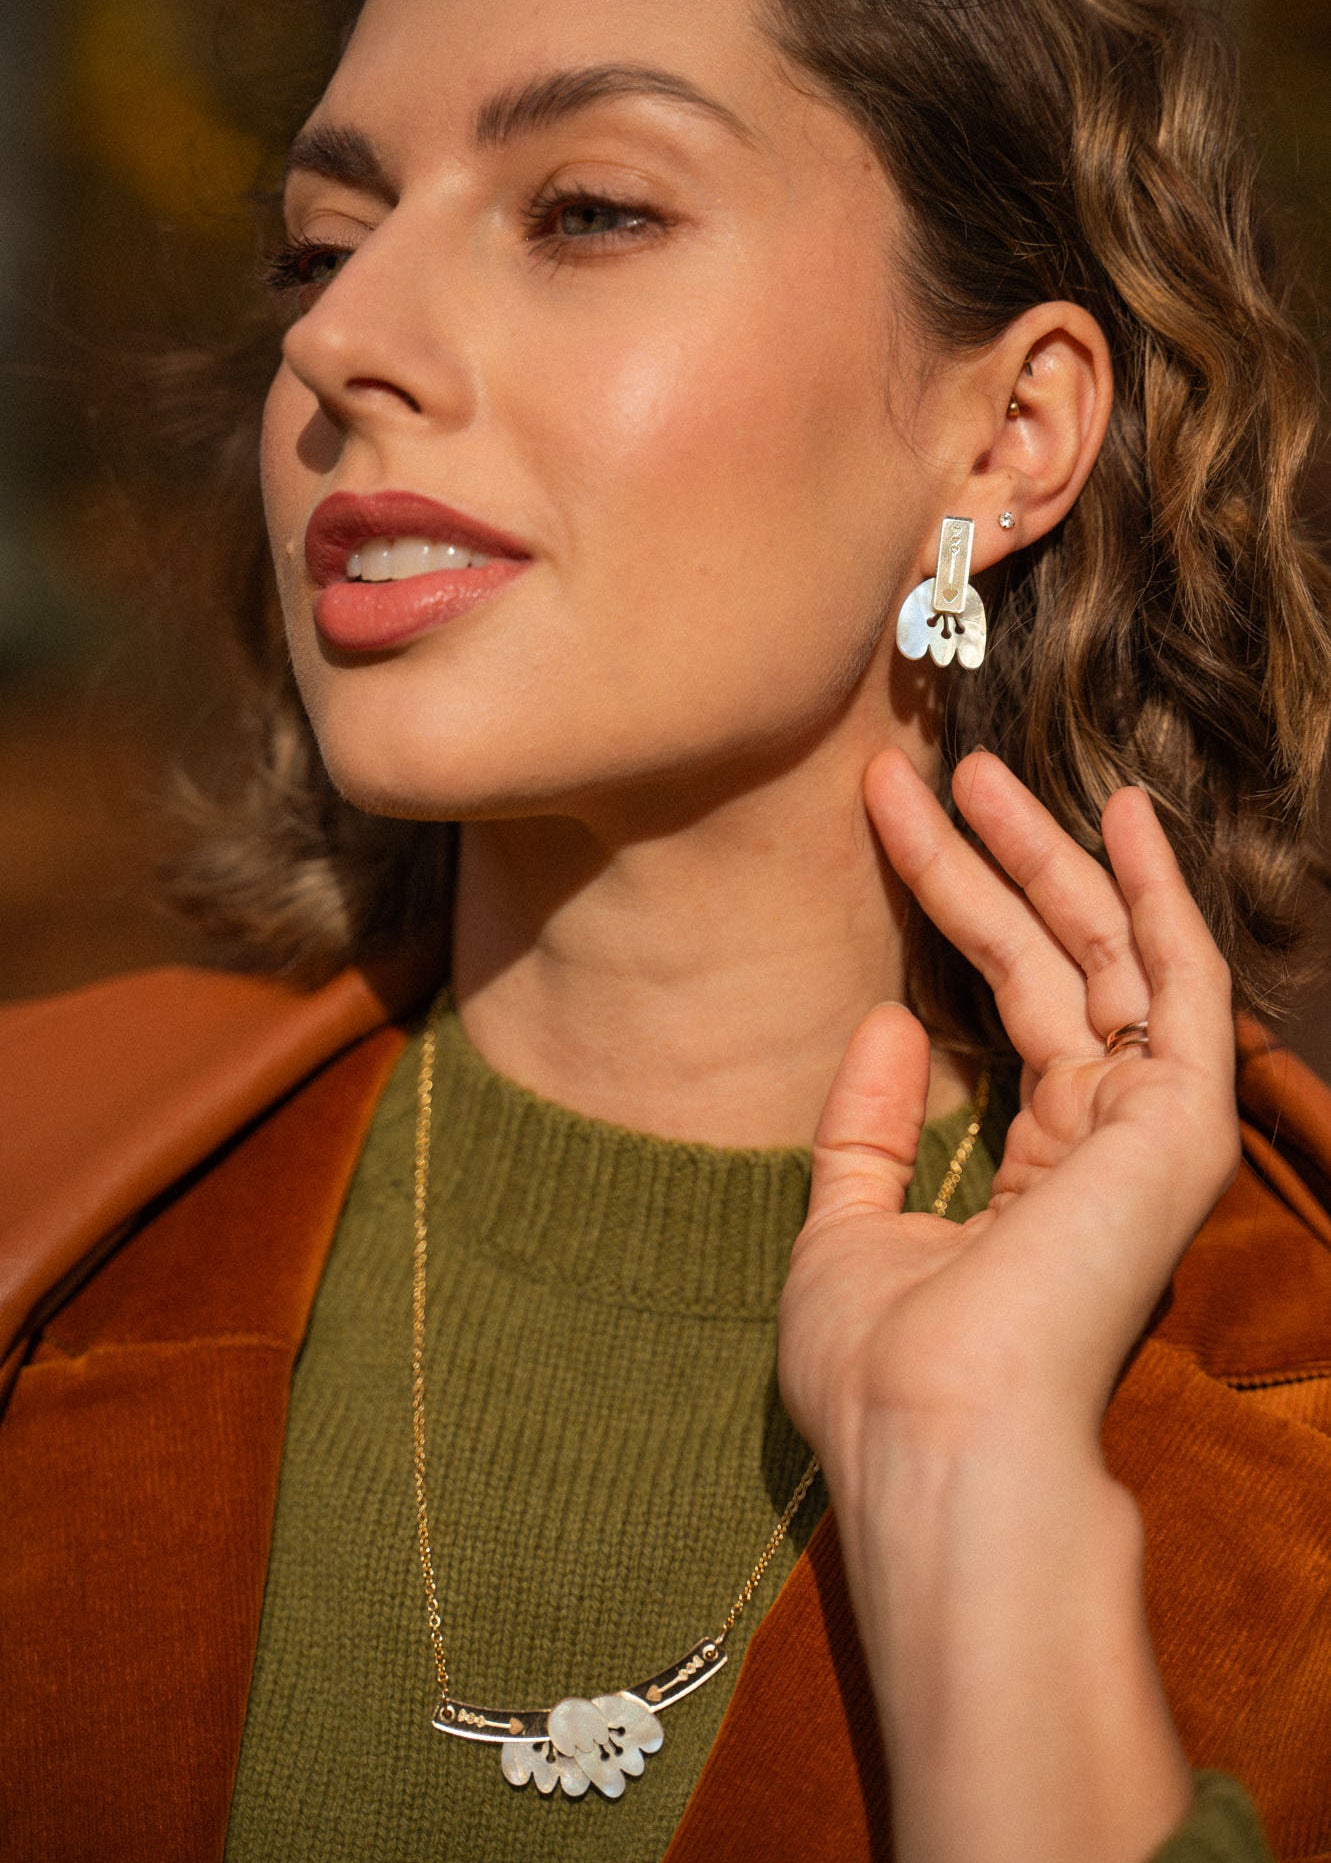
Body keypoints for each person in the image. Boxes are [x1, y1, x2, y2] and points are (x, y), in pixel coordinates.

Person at [3, 0, 1331, 1858]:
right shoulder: (45, 1217)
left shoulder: (1291, 1453)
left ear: (1008, 432)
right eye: (321, 241)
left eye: (590, 212)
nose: (336, 337)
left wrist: (978, 1499)